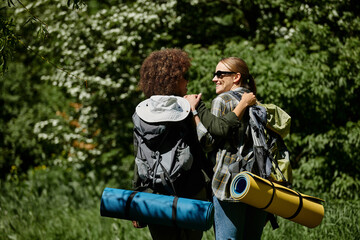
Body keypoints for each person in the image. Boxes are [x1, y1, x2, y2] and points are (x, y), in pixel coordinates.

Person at [185, 57, 267, 240]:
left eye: (220, 74)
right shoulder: (256, 102)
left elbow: (208, 143)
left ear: (236, 77)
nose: (214, 78)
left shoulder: (223, 100)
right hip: (259, 182)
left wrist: (194, 113)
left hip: (229, 183)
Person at [131, 48, 210, 240]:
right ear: (173, 79)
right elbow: (202, 149)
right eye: (185, 76)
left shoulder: (141, 114)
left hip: (154, 195)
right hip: (190, 191)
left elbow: (139, 156)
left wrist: (136, 195)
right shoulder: (186, 110)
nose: (187, 81)